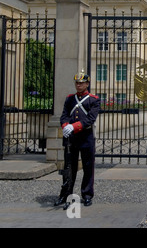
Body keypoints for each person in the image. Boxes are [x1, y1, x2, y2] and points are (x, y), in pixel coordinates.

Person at [54, 71, 100, 209]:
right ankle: (66, 194)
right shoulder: (70, 99)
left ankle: (87, 195)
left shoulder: (94, 99)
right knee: (69, 168)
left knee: (88, 167)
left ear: (87, 84)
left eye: (81, 83)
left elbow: (90, 119)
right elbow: (64, 115)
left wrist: (73, 126)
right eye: (77, 83)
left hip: (86, 137)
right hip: (71, 139)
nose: (79, 85)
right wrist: (65, 125)